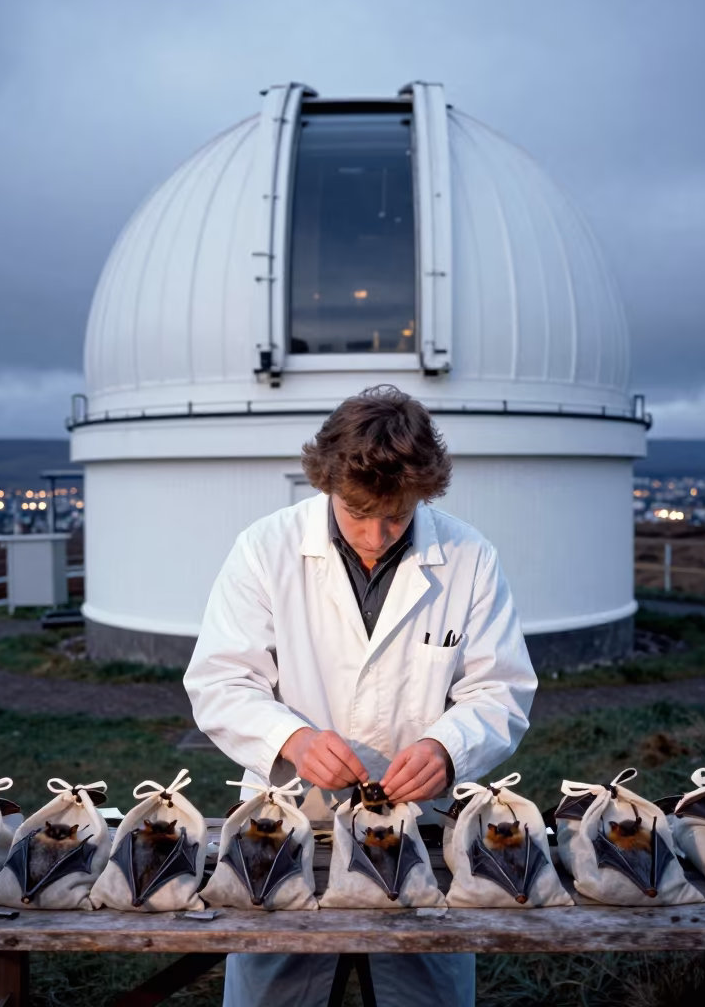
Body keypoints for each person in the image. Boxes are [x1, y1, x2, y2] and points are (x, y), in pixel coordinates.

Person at [183, 385, 538, 1007]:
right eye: (357, 513)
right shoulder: (264, 551)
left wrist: (448, 748)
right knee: (278, 993)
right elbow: (220, 681)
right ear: (325, 485)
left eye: (397, 516)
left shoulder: (469, 556)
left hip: (420, 825)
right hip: (290, 819)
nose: (375, 535)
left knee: (422, 991)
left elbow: (500, 688)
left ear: (425, 493)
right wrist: (288, 738)